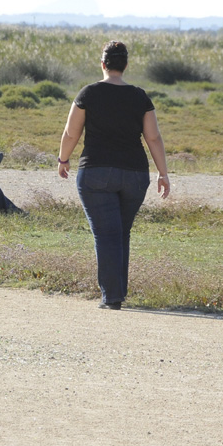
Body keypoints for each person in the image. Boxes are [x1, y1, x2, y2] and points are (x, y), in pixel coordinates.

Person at [56, 40, 170, 310]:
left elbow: (72, 133)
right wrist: (163, 173)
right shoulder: (140, 96)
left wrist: (63, 159)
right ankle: (117, 292)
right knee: (121, 233)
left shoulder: (88, 93)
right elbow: (153, 137)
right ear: (125, 65)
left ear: (103, 64)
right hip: (135, 175)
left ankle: (113, 297)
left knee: (107, 234)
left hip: (95, 173)